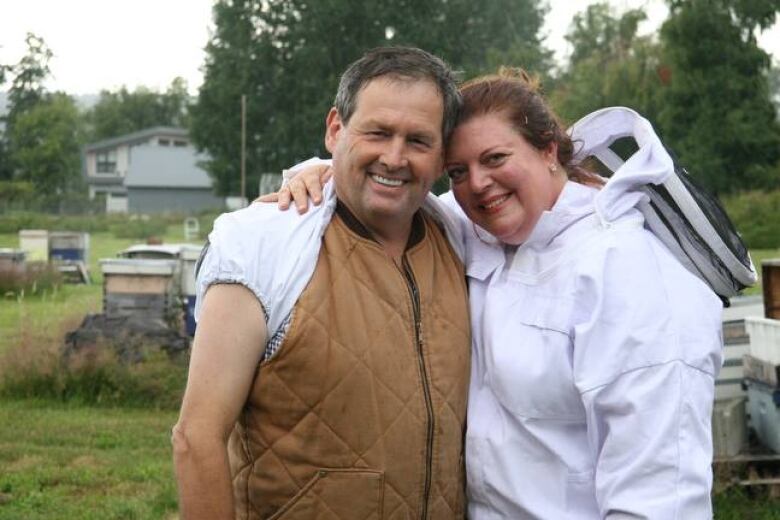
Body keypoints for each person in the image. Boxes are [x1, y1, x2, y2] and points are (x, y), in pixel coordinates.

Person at [275, 68, 724, 518]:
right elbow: (390, 192)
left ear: (548, 150)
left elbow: (660, 492)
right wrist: (320, 173)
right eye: (457, 172)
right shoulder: (475, 232)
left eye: (494, 159)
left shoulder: (630, 271)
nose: (478, 184)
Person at [172, 47, 471, 520]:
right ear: (336, 128)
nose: (394, 157)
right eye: (377, 133)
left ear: (441, 157)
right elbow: (196, 438)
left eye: (418, 141)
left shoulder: (461, 241)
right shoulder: (261, 243)